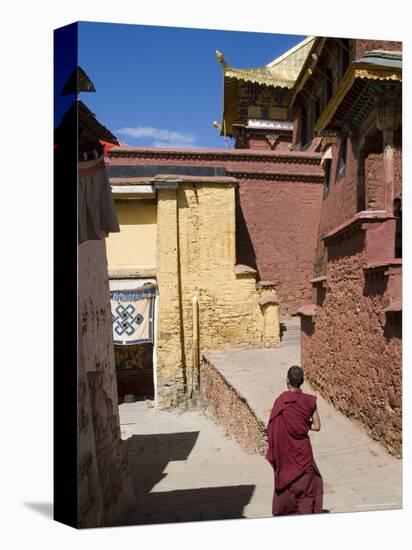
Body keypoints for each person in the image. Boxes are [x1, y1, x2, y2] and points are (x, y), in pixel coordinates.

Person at [266, 365, 323, 516]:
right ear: (302, 381)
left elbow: (271, 430)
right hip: (303, 455)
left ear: (287, 380)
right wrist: (305, 424)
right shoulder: (310, 401)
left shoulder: (280, 402)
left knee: (286, 495)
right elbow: (317, 426)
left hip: (286, 457)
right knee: (306, 495)